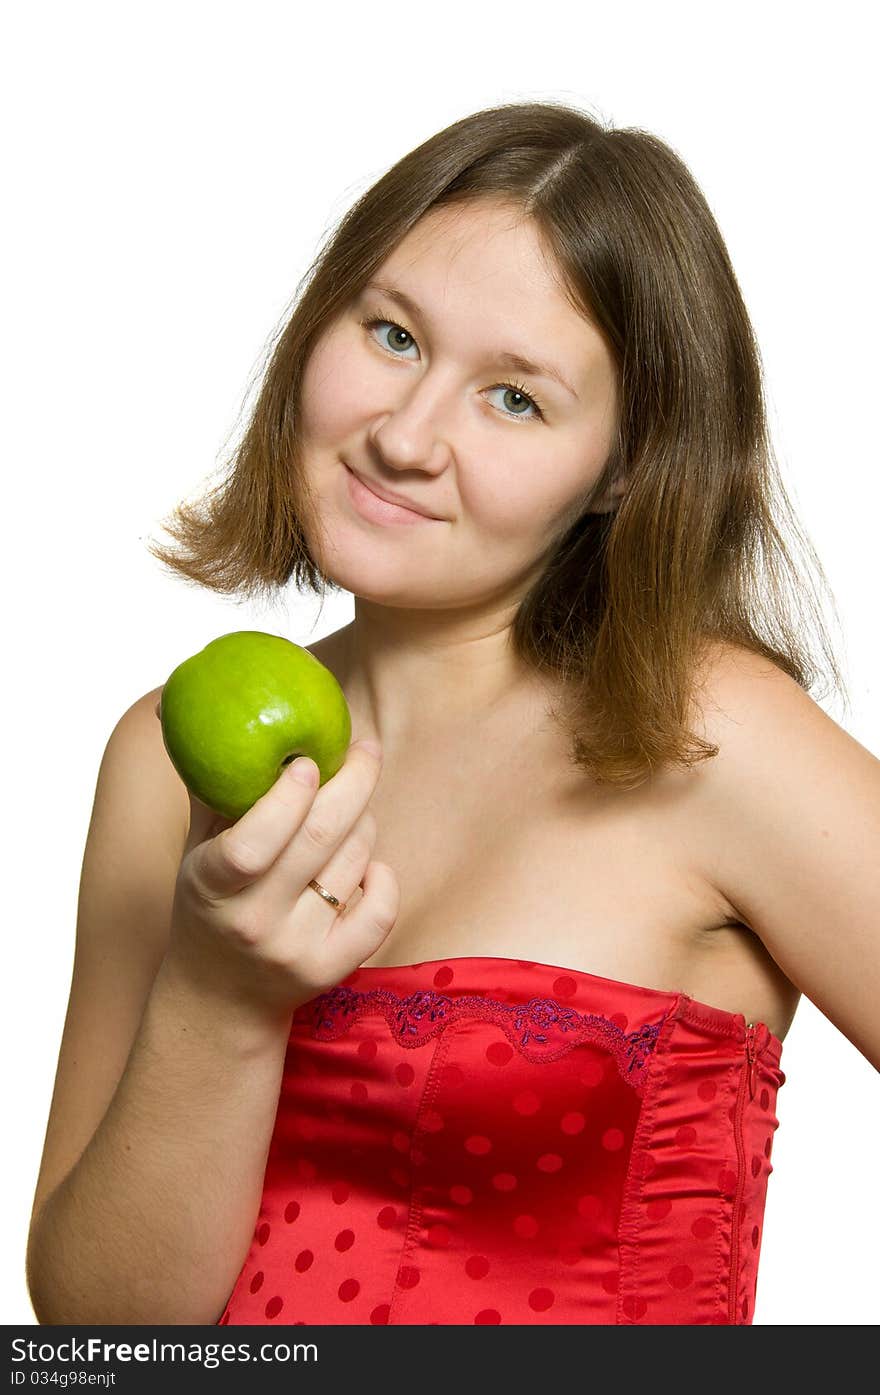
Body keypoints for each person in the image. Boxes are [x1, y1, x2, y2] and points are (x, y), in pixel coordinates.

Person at [25, 100, 879, 1327]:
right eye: (391, 334)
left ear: (626, 467)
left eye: (515, 399)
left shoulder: (713, 739)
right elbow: (100, 1332)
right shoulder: (159, 763)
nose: (405, 436)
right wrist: (217, 1000)